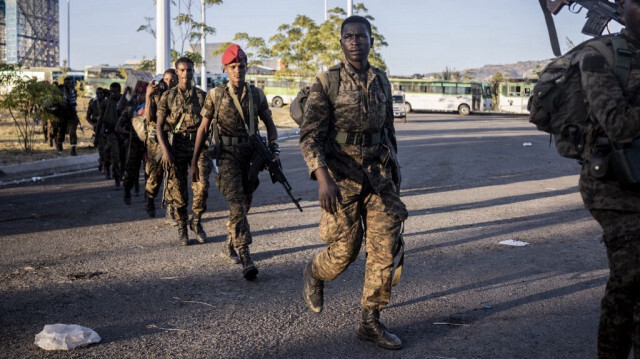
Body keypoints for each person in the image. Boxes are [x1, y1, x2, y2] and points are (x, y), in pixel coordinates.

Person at [299, 16, 408, 350]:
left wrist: (395, 170)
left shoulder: (382, 81)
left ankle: (370, 321)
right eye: (349, 36)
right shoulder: (327, 82)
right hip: (341, 178)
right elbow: (309, 136)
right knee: (345, 250)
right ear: (342, 42)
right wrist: (322, 179)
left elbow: (388, 130)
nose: (355, 41)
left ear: (371, 40)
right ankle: (315, 273)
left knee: (384, 249)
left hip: (378, 177)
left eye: (361, 36)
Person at [578, 1, 640, 357]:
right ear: (622, 7)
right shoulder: (600, 54)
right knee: (630, 276)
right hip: (613, 185)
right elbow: (617, 122)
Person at [191, 44, 279, 280]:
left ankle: (230, 242)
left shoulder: (257, 95)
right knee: (237, 202)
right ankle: (245, 254)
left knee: (245, 203)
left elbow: (270, 126)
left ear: (247, 67)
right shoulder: (216, 95)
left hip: (250, 157)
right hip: (226, 156)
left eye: (241, 66)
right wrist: (193, 163)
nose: (238, 70)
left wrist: (274, 151)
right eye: (233, 67)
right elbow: (203, 128)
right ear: (225, 69)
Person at [156, 57, 211, 246]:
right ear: (177, 72)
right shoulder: (168, 97)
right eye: (182, 70)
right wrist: (165, 151)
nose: (186, 73)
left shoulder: (203, 97)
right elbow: (159, 127)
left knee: (202, 187)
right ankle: (182, 226)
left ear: (193, 71)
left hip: (198, 145)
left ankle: (196, 222)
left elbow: (208, 126)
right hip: (176, 145)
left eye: (189, 70)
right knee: (177, 189)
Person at [145, 69, 178, 220]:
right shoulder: (157, 95)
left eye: (172, 79)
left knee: (174, 174)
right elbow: (148, 117)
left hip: (174, 138)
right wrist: (148, 96)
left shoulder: (179, 96)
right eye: (166, 79)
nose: (169, 82)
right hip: (157, 140)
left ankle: (171, 209)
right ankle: (150, 198)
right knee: (155, 176)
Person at [116, 85, 147, 205]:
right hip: (133, 144)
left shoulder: (150, 110)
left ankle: (148, 196)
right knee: (131, 171)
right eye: (138, 95)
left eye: (143, 94)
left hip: (147, 145)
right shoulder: (131, 110)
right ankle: (127, 191)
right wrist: (130, 133)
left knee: (150, 172)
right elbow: (118, 128)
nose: (140, 97)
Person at [95, 82, 124, 190]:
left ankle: (121, 174)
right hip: (111, 133)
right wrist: (97, 136)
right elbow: (100, 120)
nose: (112, 94)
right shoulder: (106, 103)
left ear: (119, 91)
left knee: (124, 156)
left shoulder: (124, 101)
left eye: (115, 92)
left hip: (123, 133)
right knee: (114, 156)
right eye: (111, 91)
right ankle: (117, 179)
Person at [57, 76, 80, 156]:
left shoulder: (73, 91)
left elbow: (73, 102)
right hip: (62, 113)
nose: (68, 84)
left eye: (69, 82)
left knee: (72, 130)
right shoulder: (60, 90)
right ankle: (59, 143)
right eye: (66, 82)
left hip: (71, 113)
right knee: (62, 130)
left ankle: (73, 148)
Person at [87, 88, 107, 173]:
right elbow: (88, 117)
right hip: (98, 128)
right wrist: (93, 124)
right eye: (98, 93)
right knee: (101, 147)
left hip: (107, 126)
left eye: (101, 93)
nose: (99, 95)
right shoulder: (93, 103)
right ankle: (102, 163)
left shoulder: (107, 102)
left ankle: (104, 162)